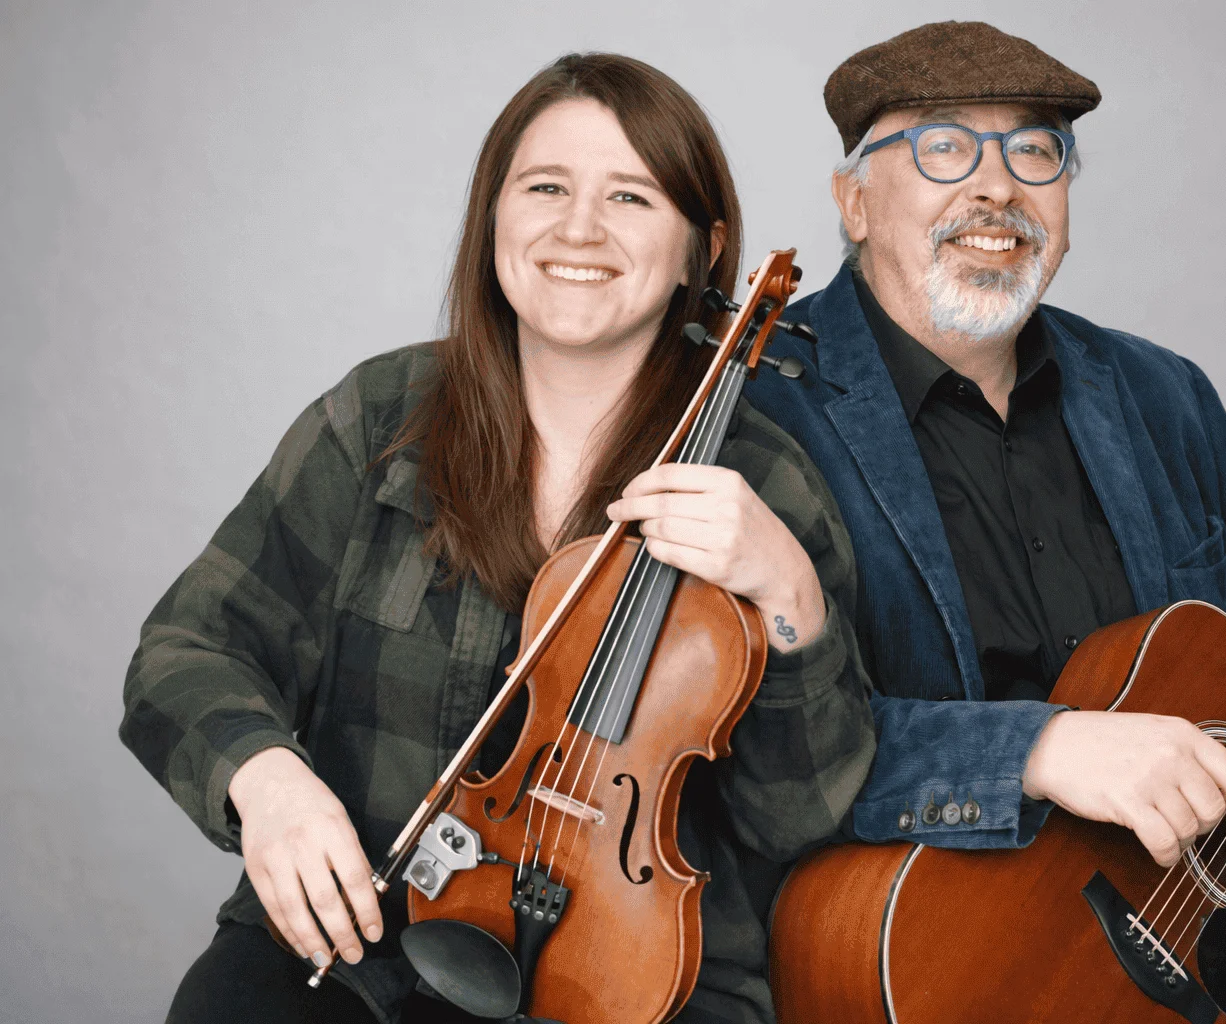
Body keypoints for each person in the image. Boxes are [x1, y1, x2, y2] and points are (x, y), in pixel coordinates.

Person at [121, 52, 874, 1024]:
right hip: (366, 940)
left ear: (700, 248)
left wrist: (791, 598)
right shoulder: (379, 417)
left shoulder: (761, 483)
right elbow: (188, 649)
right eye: (546, 186)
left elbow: (803, 817)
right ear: (494, 220)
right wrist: (264, 782)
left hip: (632, 985)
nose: (578, 227)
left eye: (632, 198)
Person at [744, 21, 1226, 1023]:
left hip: (1201, 936)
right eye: (945, 147)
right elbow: (753, 747)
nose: (997, 188)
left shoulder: (1160, 393)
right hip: (934, 963)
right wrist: (1044, 749)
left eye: (1035, 150)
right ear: (855, 200)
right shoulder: (758, 407)